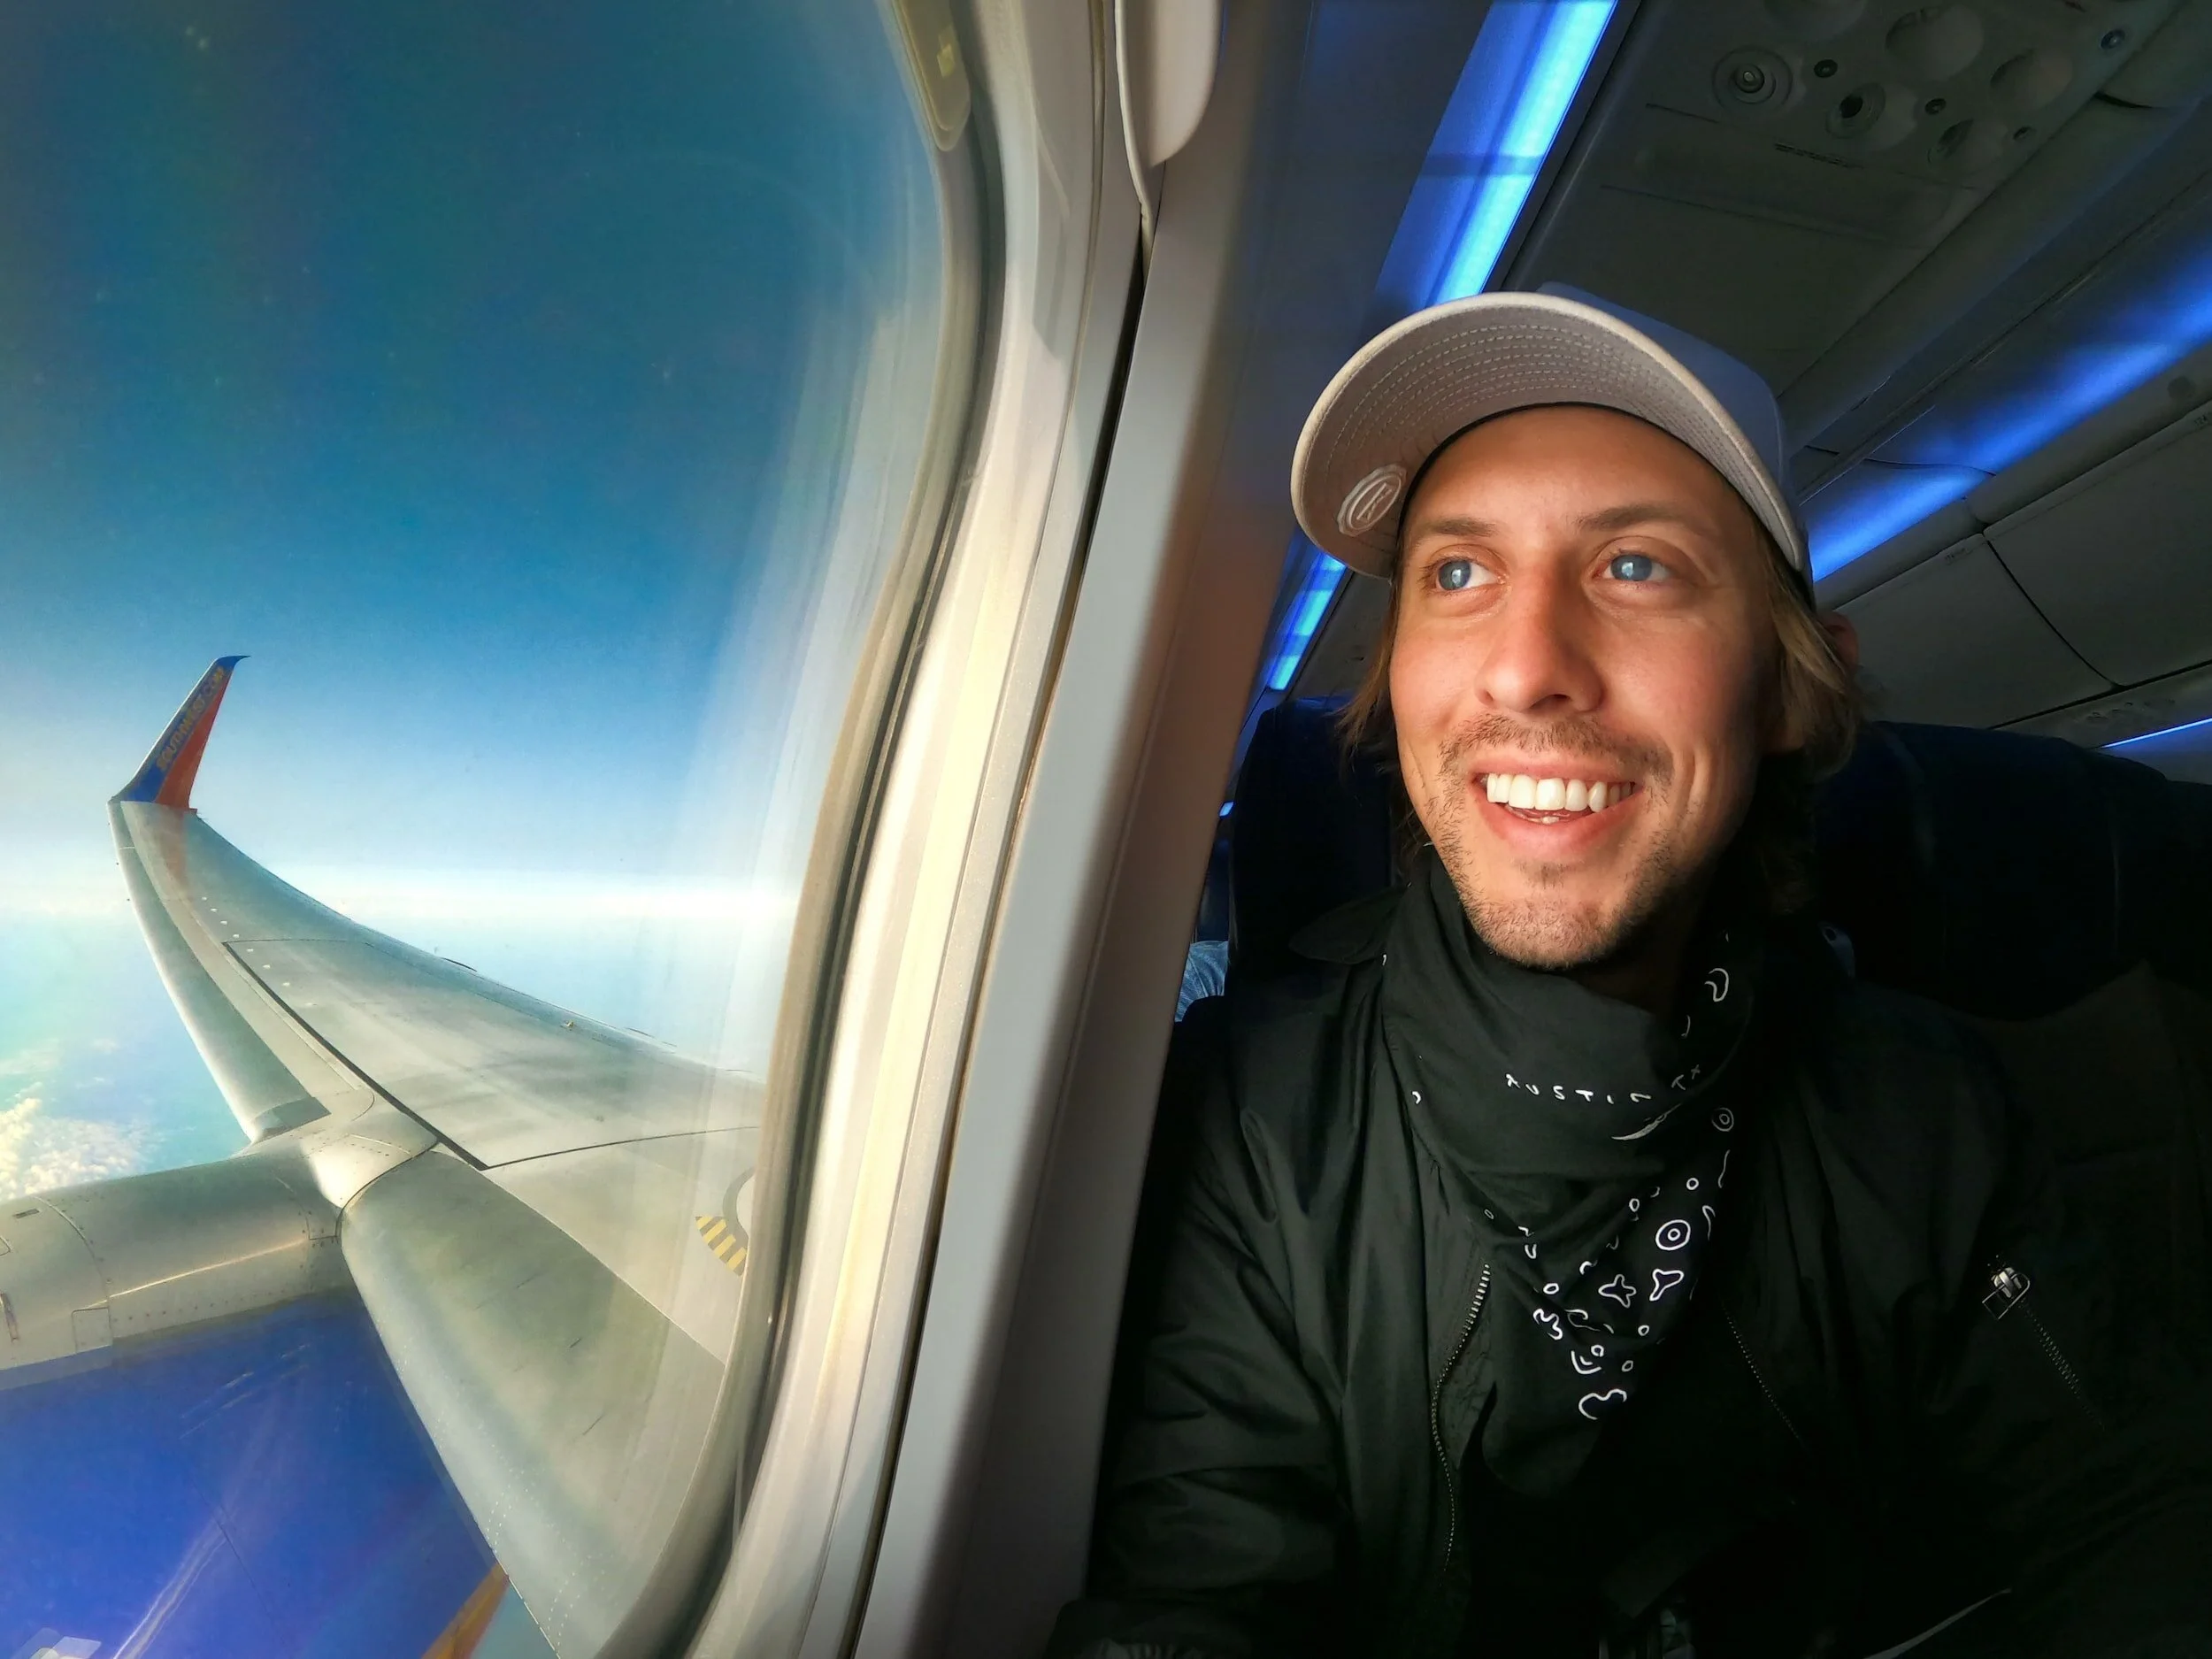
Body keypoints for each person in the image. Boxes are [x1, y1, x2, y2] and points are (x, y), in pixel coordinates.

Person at [1048, 289, 2212, 1657]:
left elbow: (2127, 1518)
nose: (1527, 667)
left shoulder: (1922, 1111)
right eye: (1460, 573)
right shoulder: (1249, 1113)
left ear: (1791, 689)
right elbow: (1192, 1602)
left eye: (1637, 567)